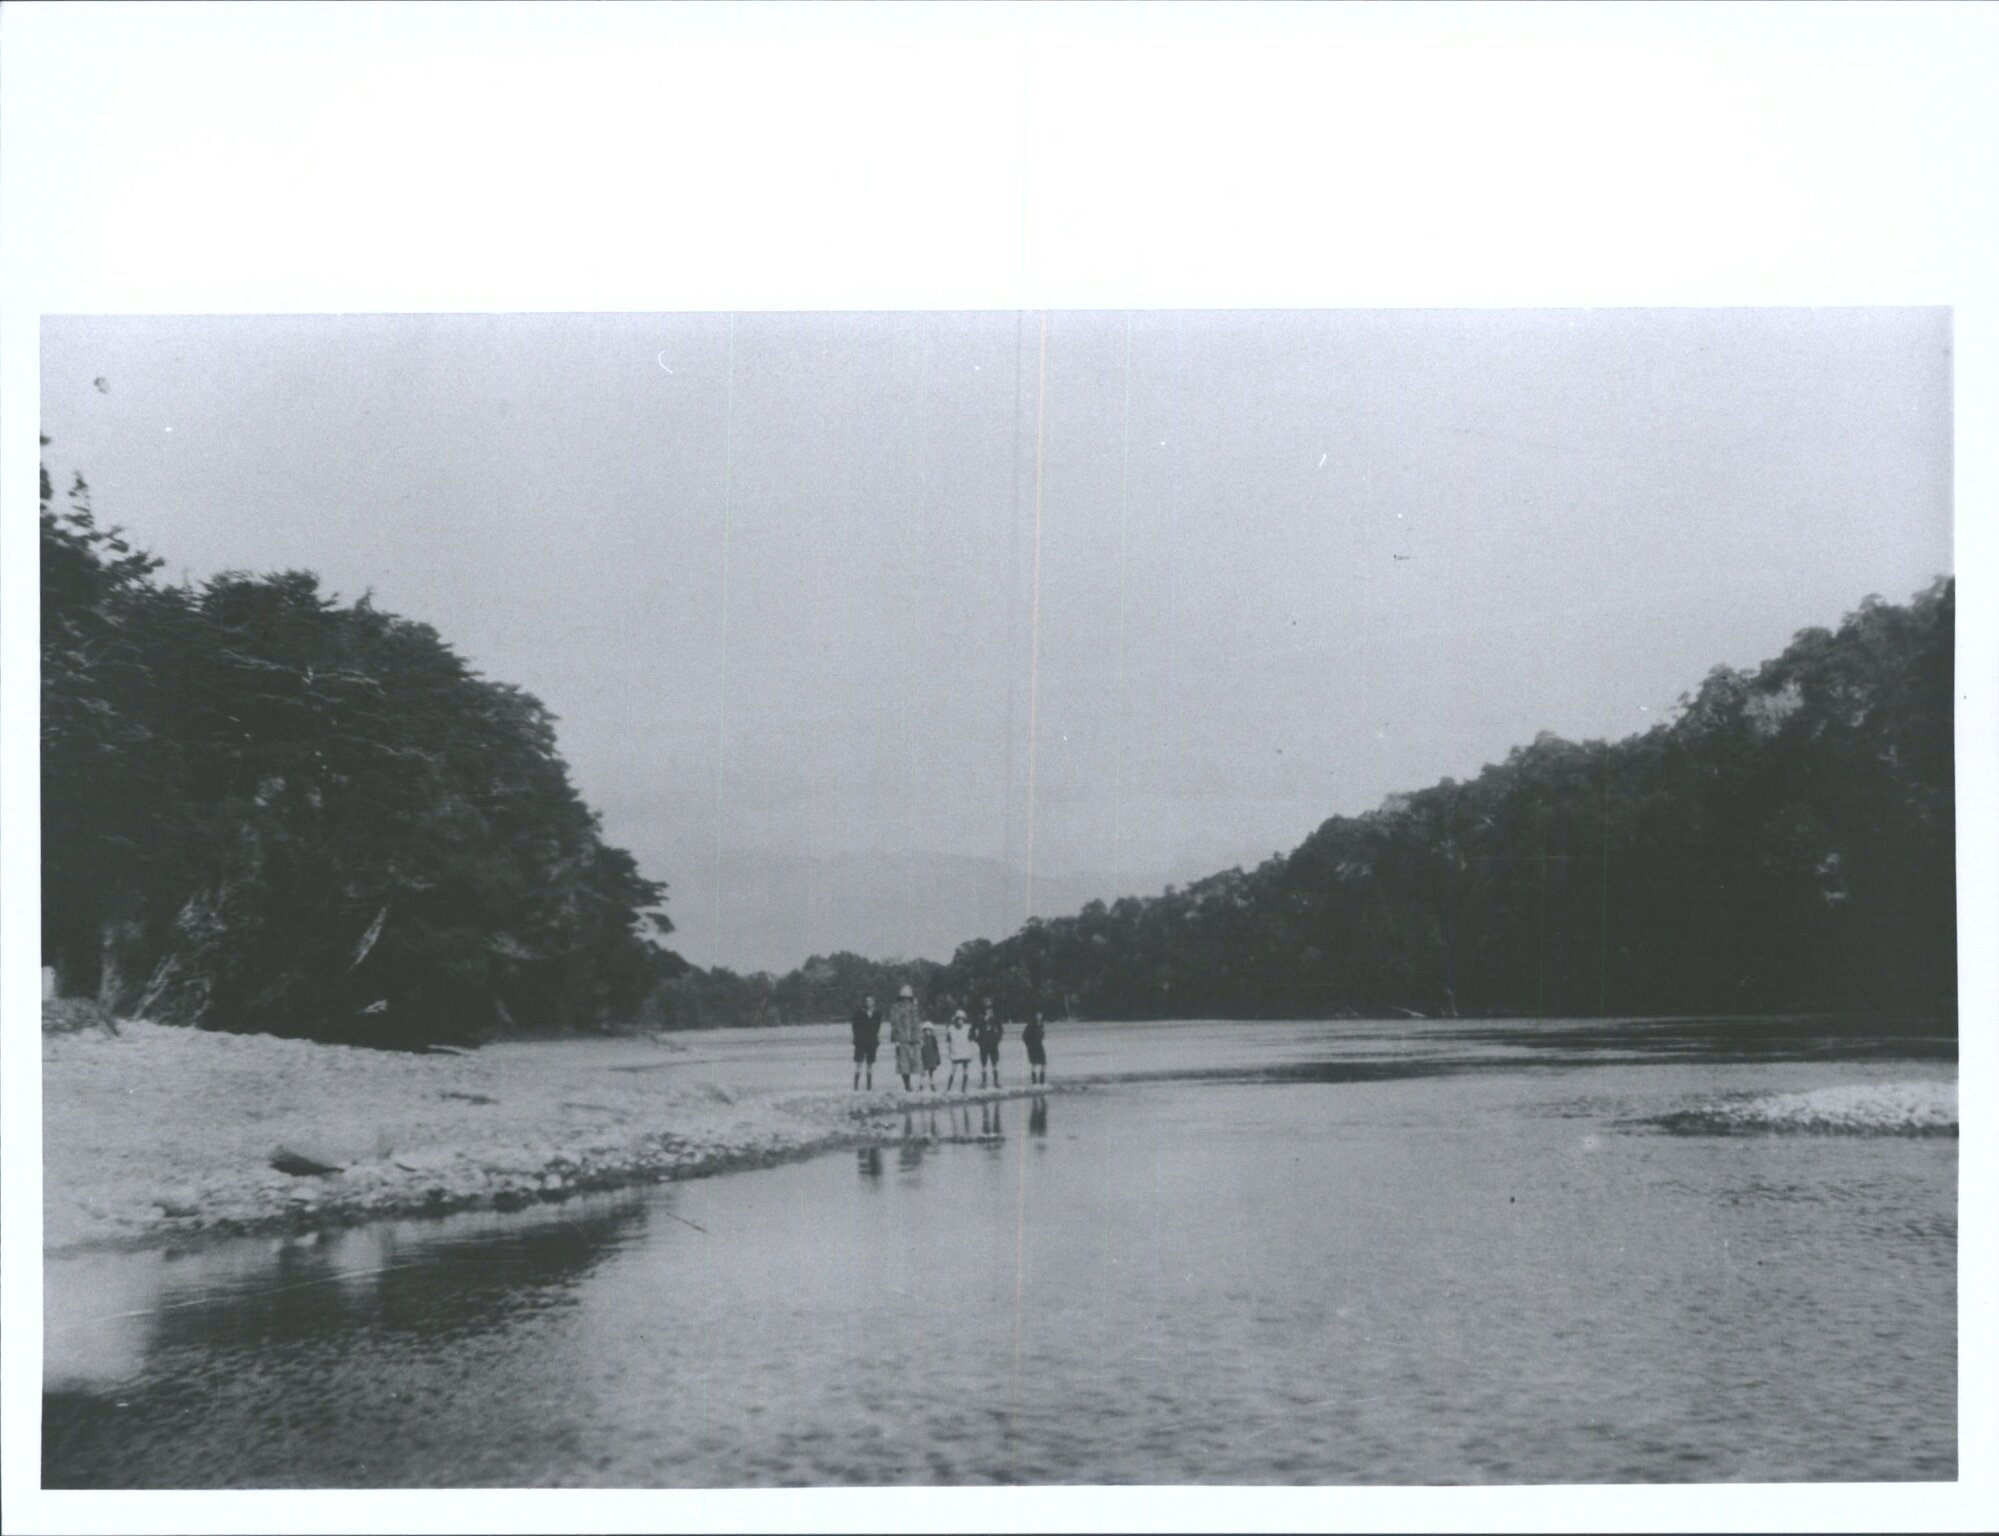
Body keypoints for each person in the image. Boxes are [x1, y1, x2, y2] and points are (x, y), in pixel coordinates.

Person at [888, 984, 922, 1091]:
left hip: (913, 1038)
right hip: (902, 1038)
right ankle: (907, 1085)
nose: (906, 1000)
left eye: (908, 998)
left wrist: (919, 1037)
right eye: (904, 998)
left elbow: (916, 1023)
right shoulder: (896, 1008)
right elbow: (894, 1023)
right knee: (903, 1063)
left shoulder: (913, 1007)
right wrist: (896, 1038)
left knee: (915, 1062)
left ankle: (916, 1084)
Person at [850, 994, 883, 1090]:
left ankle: (869, 1086)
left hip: (872, 1041)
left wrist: (875, 1037)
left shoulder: (877, 1013)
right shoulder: (859, 1013)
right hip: (861, 1041)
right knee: (859, 1062)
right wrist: (857, 1038)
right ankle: (856, 1086)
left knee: (870, 1063)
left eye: (870, 1001)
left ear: (874, 1002)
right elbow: (855, 1027)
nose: (868, 1003)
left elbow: (878, 1027)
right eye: (867, 1001)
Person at [972, 998, 1004, 1088]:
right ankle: (984, 1081)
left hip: (993, 1043)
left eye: (990, 1008)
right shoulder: (979, 1018)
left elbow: (1000, 1029)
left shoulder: (995, 1018)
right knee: (984, 1063)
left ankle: (996, 1081)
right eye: (986, 1008)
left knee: (995, 1062)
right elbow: (973, 1029)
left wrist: (997, 1039)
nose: (988, 1010)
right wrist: (977, 1040)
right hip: (983, 1043)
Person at [944, 1009, 974, 1092]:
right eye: (958, 1019)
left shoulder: (967, 1028)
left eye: (962, 1020)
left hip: (965, 1052)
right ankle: (949, 1087)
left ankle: (964, 1087)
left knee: (965, 1069)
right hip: (956, 1052)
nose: (960, 1021)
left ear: (964, 1020)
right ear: (956, 1020)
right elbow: (948, 1040)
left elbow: (971, 1039)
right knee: (953, 1069)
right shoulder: (951, 1029)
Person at [1023, 1009, 1048, 1085]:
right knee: (1034, 1063)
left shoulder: (1041, 1024)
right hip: (1033, 1045)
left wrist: (1042, 1036)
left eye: (1040, 1015)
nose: (1039, 1016)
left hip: (1039, 1044)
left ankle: (1042, 1081)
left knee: (1043, 1062)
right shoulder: (1031, 1025)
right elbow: (1025, 1036)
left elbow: (1042, 1034)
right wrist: (1029, 1045)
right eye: (1038, 1015)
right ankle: (1034, 1081)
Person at [919, 1019, 941, 1090]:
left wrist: (937, 1058)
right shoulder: (922, 1039)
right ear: (923, 1031)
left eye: (929, 1030)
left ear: (931, 1031)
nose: (927, 1032)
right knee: (923, 1073)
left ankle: (932, 1085)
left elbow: (936, 1049)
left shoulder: (933, 1039)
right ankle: (921, 1085)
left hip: (932, 1058)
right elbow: (920, 1049)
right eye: (926, 1030)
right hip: (924, 1057)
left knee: (931, 1073)